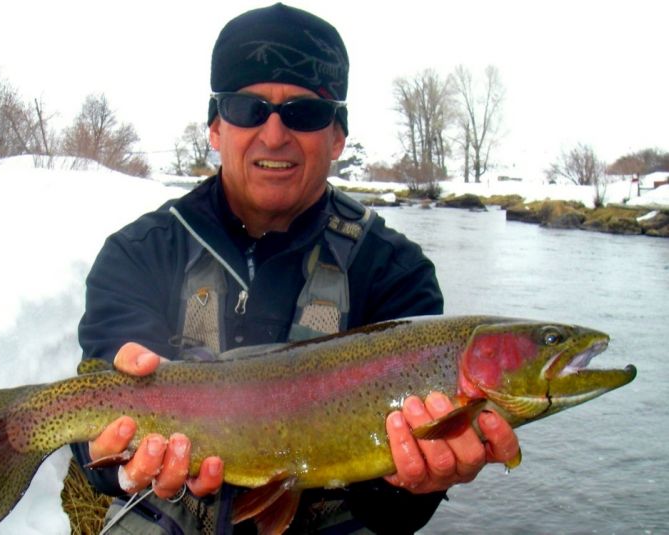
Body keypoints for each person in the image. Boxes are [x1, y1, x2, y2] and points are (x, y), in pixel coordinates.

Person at [72, 3, 520, 534]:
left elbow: (394, 516)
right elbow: (90, 440)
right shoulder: (140, 253)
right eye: (248, 108)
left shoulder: (395, 272)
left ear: (337, 136)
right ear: (215, 128)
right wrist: (108, 462)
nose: (275, 133)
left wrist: (417, 482)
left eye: (304, 112)